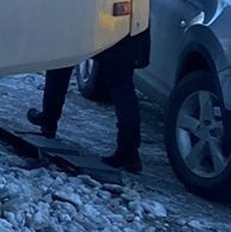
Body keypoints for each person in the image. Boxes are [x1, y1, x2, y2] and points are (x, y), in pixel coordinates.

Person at [27, 30, 149, 173]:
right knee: (121, 86)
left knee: (60, 62)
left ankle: (48, 120)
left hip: (87, 22)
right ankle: (129, 152)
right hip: (125, 26)